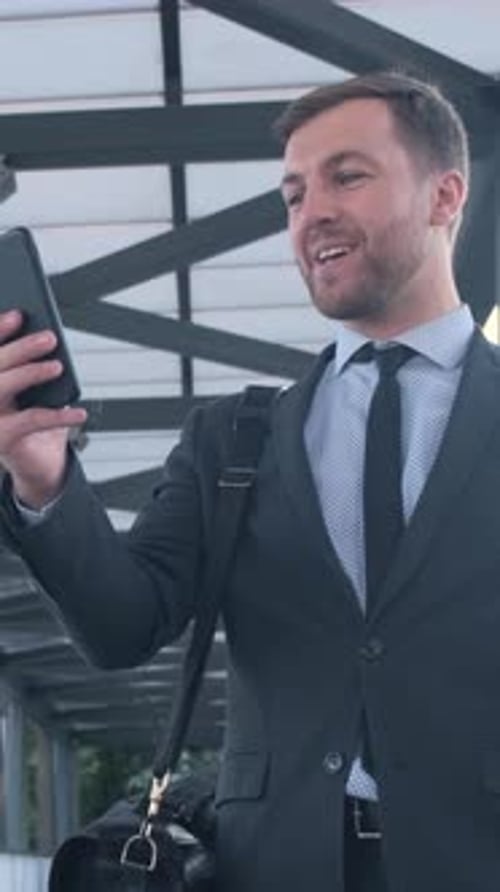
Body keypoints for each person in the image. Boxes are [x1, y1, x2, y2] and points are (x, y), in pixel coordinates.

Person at [0, 70, 496, 892]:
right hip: (274, 866)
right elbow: (123, 627)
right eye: (293, 195)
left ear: (446, 197)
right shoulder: (235, 437)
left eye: (347, 176)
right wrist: (44, 480)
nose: (311, 214)